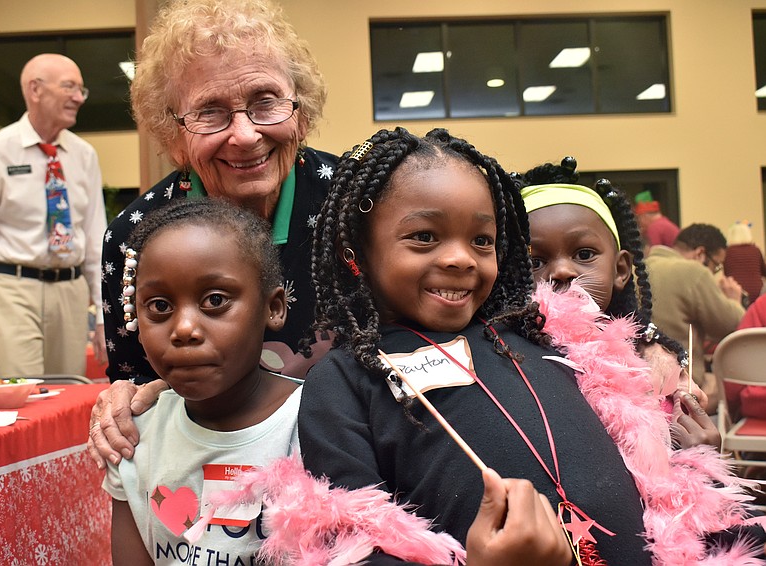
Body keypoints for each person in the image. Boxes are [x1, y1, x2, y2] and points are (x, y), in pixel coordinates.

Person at [298, 128, 763, 565]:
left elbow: (631, 395)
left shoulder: (540, 335)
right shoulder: (343, 381)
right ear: (354, 252)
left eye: (482, 240)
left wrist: (682, 450)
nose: (461, 258)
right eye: (425, 237)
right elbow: (348, 542)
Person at [89, 0, 337, 469]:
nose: (244, 135)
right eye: (209, 112)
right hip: (215, 480)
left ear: (300, 112)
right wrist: (122, 397)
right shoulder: (133, 238)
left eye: (266, 101)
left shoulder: (361, 206)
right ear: (174, 135)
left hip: (349, 459)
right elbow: (134, 380)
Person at [102, 198, 302, 564]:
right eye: (160, 306)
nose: (184, 329)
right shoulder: (137, 437)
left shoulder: (313, 424)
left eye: (215, 300)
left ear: (273, 308)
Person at [519, 158, 715, 440]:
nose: (562, 271)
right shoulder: (508, 359)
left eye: (584, 254)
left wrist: (700, 451)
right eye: (535, 260)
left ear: (620, 270)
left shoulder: (651, 366)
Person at [0, 53, 107, 379]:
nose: (78, 97)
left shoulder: (84, 155)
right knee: (24, 395)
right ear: (35, 90)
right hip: (12, 289)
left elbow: (95, 241)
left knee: (69, 398)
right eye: (69, 87)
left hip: (71, 293)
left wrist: (105, 316)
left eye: (81, 90)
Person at [644, 224, 746, 399]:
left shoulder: (638, 267)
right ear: (700, 254)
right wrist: (734, 300)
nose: (715, 273)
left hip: (639, 381)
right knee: (732, 391)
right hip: (681, 385)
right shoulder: (692, 271)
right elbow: (732, 327)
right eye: (717, 266)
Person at [724, 220, 766, 302]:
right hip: (757, 292)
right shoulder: (755, 250)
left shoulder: (728, 252)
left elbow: (726, 274)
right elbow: (763, 271)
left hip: (736, 292)